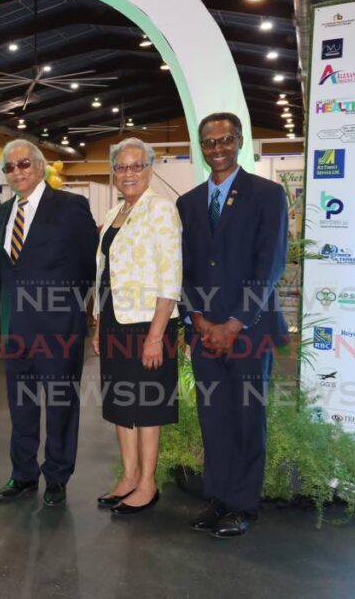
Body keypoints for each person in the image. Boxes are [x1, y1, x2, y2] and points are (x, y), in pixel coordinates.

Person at [177, 112, 288, 539]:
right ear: (201, 147)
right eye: (209, 142)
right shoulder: (187, 203)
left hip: (249, 331)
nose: (217, 148)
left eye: (225, 140)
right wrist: (199, 320)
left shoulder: (267, 194)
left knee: (247, 417)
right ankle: (218, 498)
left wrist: (235, 323)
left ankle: (243, 505)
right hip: (204, 332)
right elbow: (182, 268)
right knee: (214, 418)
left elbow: (270, 265)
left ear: (240, 142)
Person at [0, 140, 98, 507]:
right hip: (15, 328)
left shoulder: (71, 206)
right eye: (9, 167)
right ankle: (23, 474)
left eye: (23, 163)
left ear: (40, 166)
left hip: (58, 327)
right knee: (21, 406)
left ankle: (57, 476)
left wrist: (69, 310)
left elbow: (87, 265)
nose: (16, 171)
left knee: (60, 406)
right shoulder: (3, 213)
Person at [91, 138, 181, 515]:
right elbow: (104, 272)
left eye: (136, 166)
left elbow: (170, 277)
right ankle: (128, 476)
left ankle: (147, 483)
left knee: (146, 408)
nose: (128, 174)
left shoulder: (161, 211)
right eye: (121, 167)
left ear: (150, 169)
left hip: (148, 326)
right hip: (115, 321)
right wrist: (98, 323)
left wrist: (156, 336)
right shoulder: (114, 213)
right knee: (120, 404)